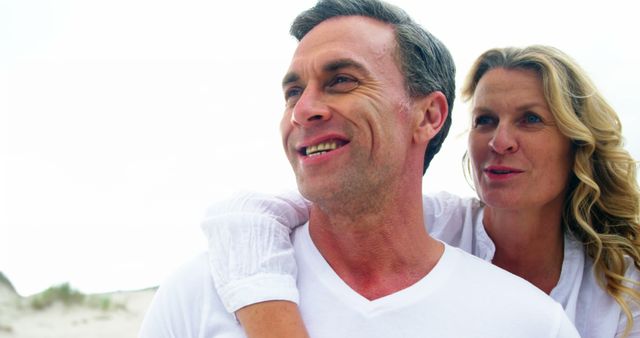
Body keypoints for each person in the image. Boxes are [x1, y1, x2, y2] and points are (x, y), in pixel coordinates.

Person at [139, 0, 580, 337]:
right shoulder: (200, 294)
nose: (303, 110)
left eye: (342, 81)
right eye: (293, 92)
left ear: (427, 116)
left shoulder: (530, 322)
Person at [200, 44, 640, 337]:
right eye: (485, 120)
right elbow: (244, 215)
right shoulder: (432, 224)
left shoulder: (624, 286)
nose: (499, 142)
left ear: (576, 141)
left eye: (530, 120)